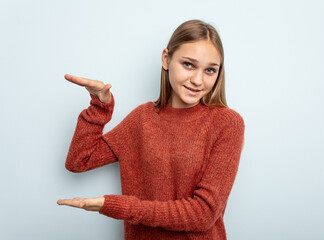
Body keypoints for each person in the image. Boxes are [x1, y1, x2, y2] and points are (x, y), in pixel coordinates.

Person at [57, 19, 245, 240]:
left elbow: (203, 214)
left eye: (210, 70)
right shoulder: (142, 119)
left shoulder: (227, 123)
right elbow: (80, 160)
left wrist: (121, 207)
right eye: (188, 64)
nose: (197, 80)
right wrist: (99, 107)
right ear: (166, 59)